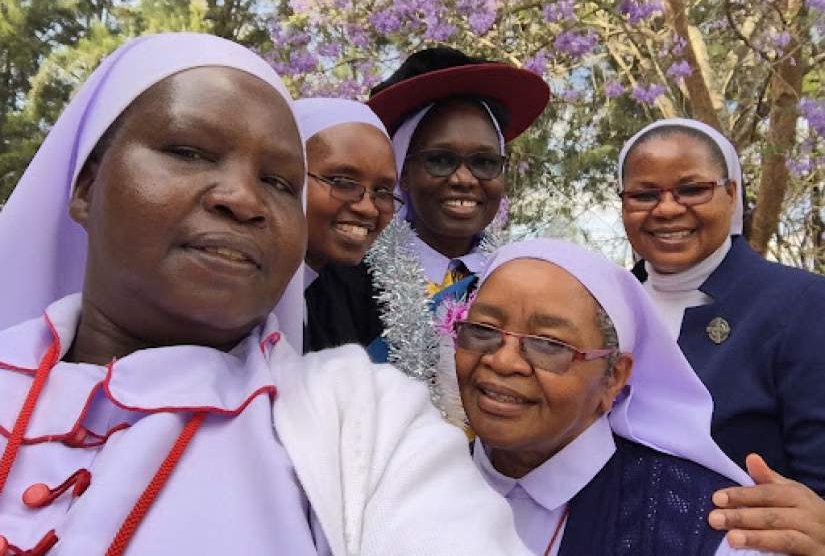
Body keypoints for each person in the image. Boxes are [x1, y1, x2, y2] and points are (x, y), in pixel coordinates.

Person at [0, 32, 531, 555]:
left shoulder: (361, 423)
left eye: (279, 182)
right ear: (86, 186)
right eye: (188, 151)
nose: (243, 199)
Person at [446, 238, 769, 555]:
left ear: (613, 377)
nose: (503, 361)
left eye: (548, 344)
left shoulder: (714, 530)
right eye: (483, 330)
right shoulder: (417, 480)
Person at [617, 118, 825, 553]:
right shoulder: (600, 305)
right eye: (644, 194)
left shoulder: (801, 304)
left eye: (692, 189)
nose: (668, 209)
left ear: (731, 195)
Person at [357, 46, 550, 362]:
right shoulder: (352, 280)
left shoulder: (521, 280)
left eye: (485, 162)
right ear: (402, 173)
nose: (464, 178)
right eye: (440, 160)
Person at [294, 98, 398, 352]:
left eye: (382, 190)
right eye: (342, 181)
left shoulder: (337, 302)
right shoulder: (235, 299)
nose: (367, 208)